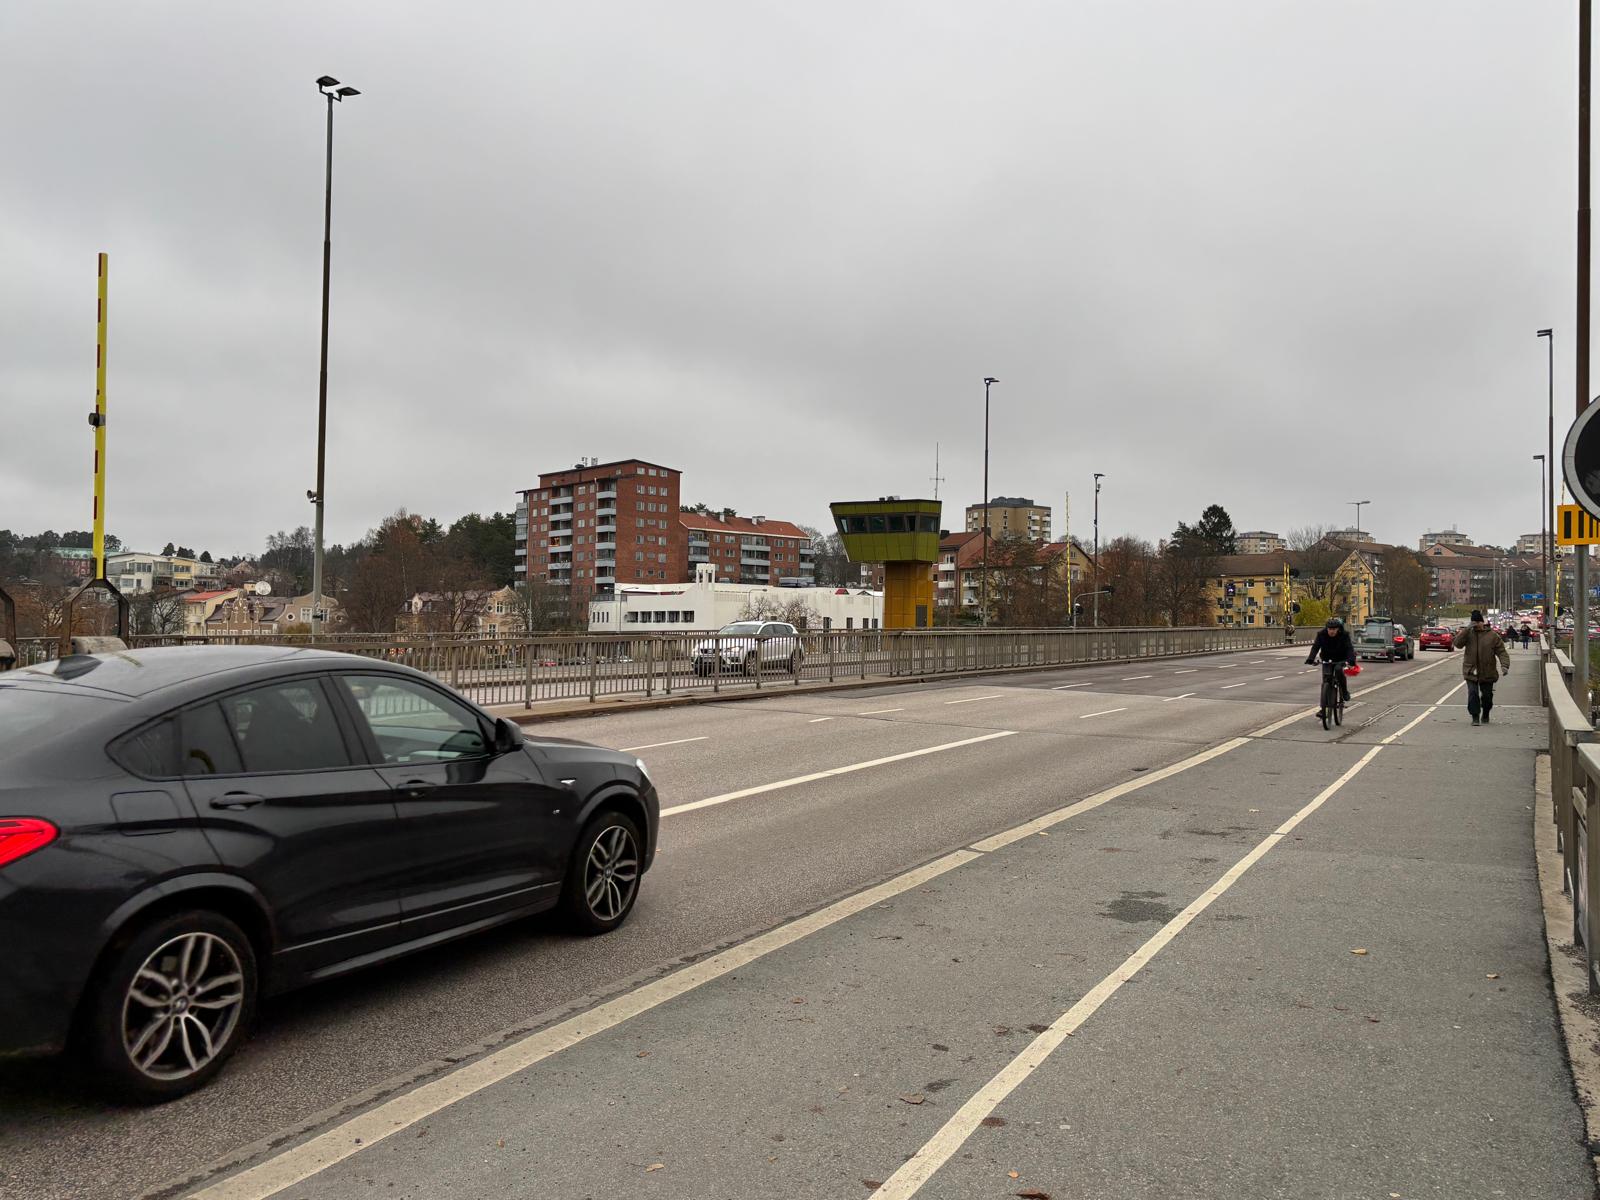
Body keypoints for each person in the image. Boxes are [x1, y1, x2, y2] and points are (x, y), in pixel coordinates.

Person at [1457, 609, 1510, 725]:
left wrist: (1504, 665)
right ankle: (1475, 716)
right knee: (1473, 694)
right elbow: (1457, 644)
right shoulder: (1468, 634)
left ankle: (1486, 713)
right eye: (1474, 622)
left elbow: (1501, 652)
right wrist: (1466, 630)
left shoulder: (1492, 635)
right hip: (1471, 671)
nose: (1476, 625)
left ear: (1482, 622)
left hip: (1488, 671)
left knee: (1487, 696)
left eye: (1478, 622)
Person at [1305, 616, 1357, 718]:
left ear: (1338, 629)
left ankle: (1344, 691)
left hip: (1340, 658)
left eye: (1334, 629)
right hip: (1327, 658)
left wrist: (1351, 661)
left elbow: (1349, 649)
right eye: (1330, 629)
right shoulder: (1321, 634)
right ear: (1327, 628)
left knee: (1338, 670)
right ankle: (1323, 709)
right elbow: (1315, 647)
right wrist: (1311, 658)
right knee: (1326, 681)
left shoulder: (1344, 635)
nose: (1332, 631)